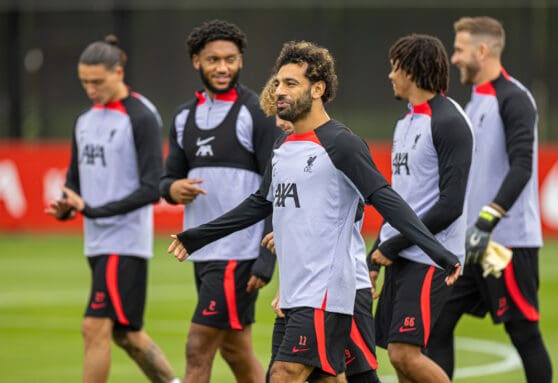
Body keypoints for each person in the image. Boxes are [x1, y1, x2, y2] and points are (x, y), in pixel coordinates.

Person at [167, 40, 461, 383]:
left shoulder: (342, 144)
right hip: (295, 293)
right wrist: (196, 237)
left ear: (318, 89)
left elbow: (387, 201)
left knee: (283, 374)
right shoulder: (282, 146)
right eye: (278, 83)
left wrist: (439, 252)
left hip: (326, 292)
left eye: (291, 84)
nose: (279, 91)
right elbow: (259, 204)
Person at [424, 16, 553, 383]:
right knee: (436, 324)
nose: (454, 58)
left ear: (483, 51)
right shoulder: (474, 102)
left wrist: (487, 220)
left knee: (524, 333)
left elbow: (522, 167)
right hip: (470, 246)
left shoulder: (514, 99)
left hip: (505, 244)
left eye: (460, 50)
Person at [44, 36, 179, 383]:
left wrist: (93, 209)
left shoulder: (140, 116)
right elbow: (74, 180)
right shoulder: (84, 120)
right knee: (127, 335)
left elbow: (151, 188)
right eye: (84, 82)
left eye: (97, 82)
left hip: (125, 241)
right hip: (97, 241)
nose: (90, 89)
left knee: (94, 327)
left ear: (118, 71)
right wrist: (68, 205)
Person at [158, 20, 281, 383]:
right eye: (213, 59)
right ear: (197, 61)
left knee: (198, 347)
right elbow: (167, 179)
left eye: (230, 59)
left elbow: (276, 186)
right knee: (235, 348)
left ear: (241, 60)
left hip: (238, 253)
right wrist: (172, 189)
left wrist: (266, 256)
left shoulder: (256, 112)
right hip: (202, 252)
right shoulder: (183, 116)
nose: (223, 67)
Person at [258, 76, 381, 383]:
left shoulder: (337, 144)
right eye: (276, 113)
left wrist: (302, 225)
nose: (282, 121)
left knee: (356, 376)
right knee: (327, 376)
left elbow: (351, 207)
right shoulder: (286, 154)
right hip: (307, 291)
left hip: (342, 285)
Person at [367, 34, 473, 383]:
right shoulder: (406, 121)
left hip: (431, 257)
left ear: (411, 70)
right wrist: (375, 255)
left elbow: (451, 206)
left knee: (404, 353)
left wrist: (392, 245)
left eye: (394, 67)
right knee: (399, 360)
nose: (390, 75)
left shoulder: (449, 121)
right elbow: (399, 201)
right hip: (402, 254)